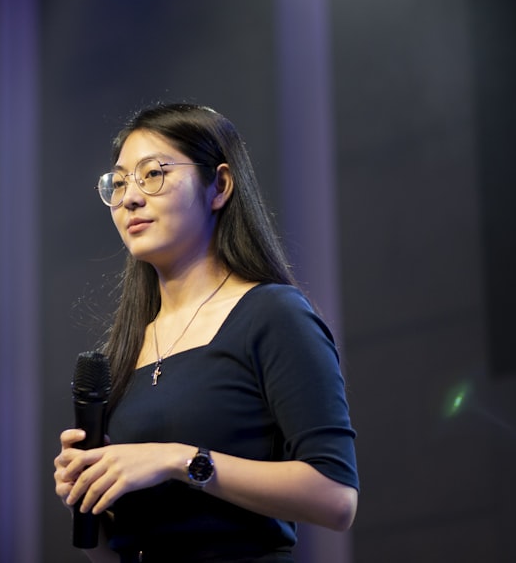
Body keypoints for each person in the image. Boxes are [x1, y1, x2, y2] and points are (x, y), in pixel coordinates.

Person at [53, 103, 359, 562]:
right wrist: (89, 494)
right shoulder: (124, 350)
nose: (131, 198)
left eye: (152, 174)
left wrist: (178, 461)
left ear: (219, 186)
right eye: (118, 184)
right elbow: (115, 552)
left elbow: (336, 498)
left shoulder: (272, 315)